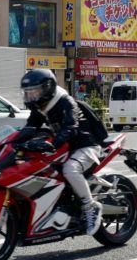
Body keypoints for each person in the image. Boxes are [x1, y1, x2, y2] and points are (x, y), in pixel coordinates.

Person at [18, 68, 103, 235]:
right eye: (28, 93)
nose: (31, 96)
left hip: (84, 146)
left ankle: (90, 206)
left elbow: (70, 127)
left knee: (70, 169)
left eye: (34, 92)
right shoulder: (41, 107)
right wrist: (12, 143)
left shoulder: (65, 102)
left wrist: (52, 145)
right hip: (64, 147)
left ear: (47, 88)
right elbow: (30, 127)